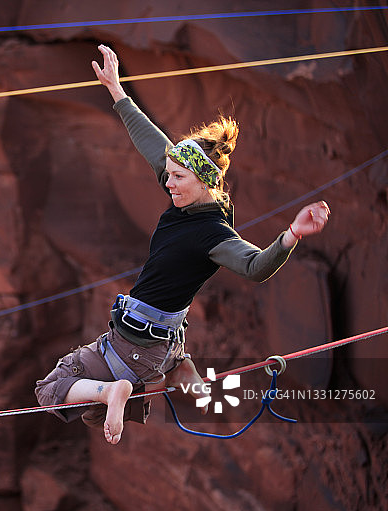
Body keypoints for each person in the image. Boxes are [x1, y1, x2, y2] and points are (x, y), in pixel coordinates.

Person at [35, 44, 331, 445]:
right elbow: (152, 143)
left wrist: (292, 234)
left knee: (53, 388)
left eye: (176, 177)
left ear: (203, 181)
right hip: (165, 341)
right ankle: (178, 370)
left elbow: (255, 266)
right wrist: (117, 91)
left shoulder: (213, 234)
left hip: (135, 343)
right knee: (138, 375)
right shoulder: (194, 195)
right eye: (169, 174)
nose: (167, 182)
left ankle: (113, 390)